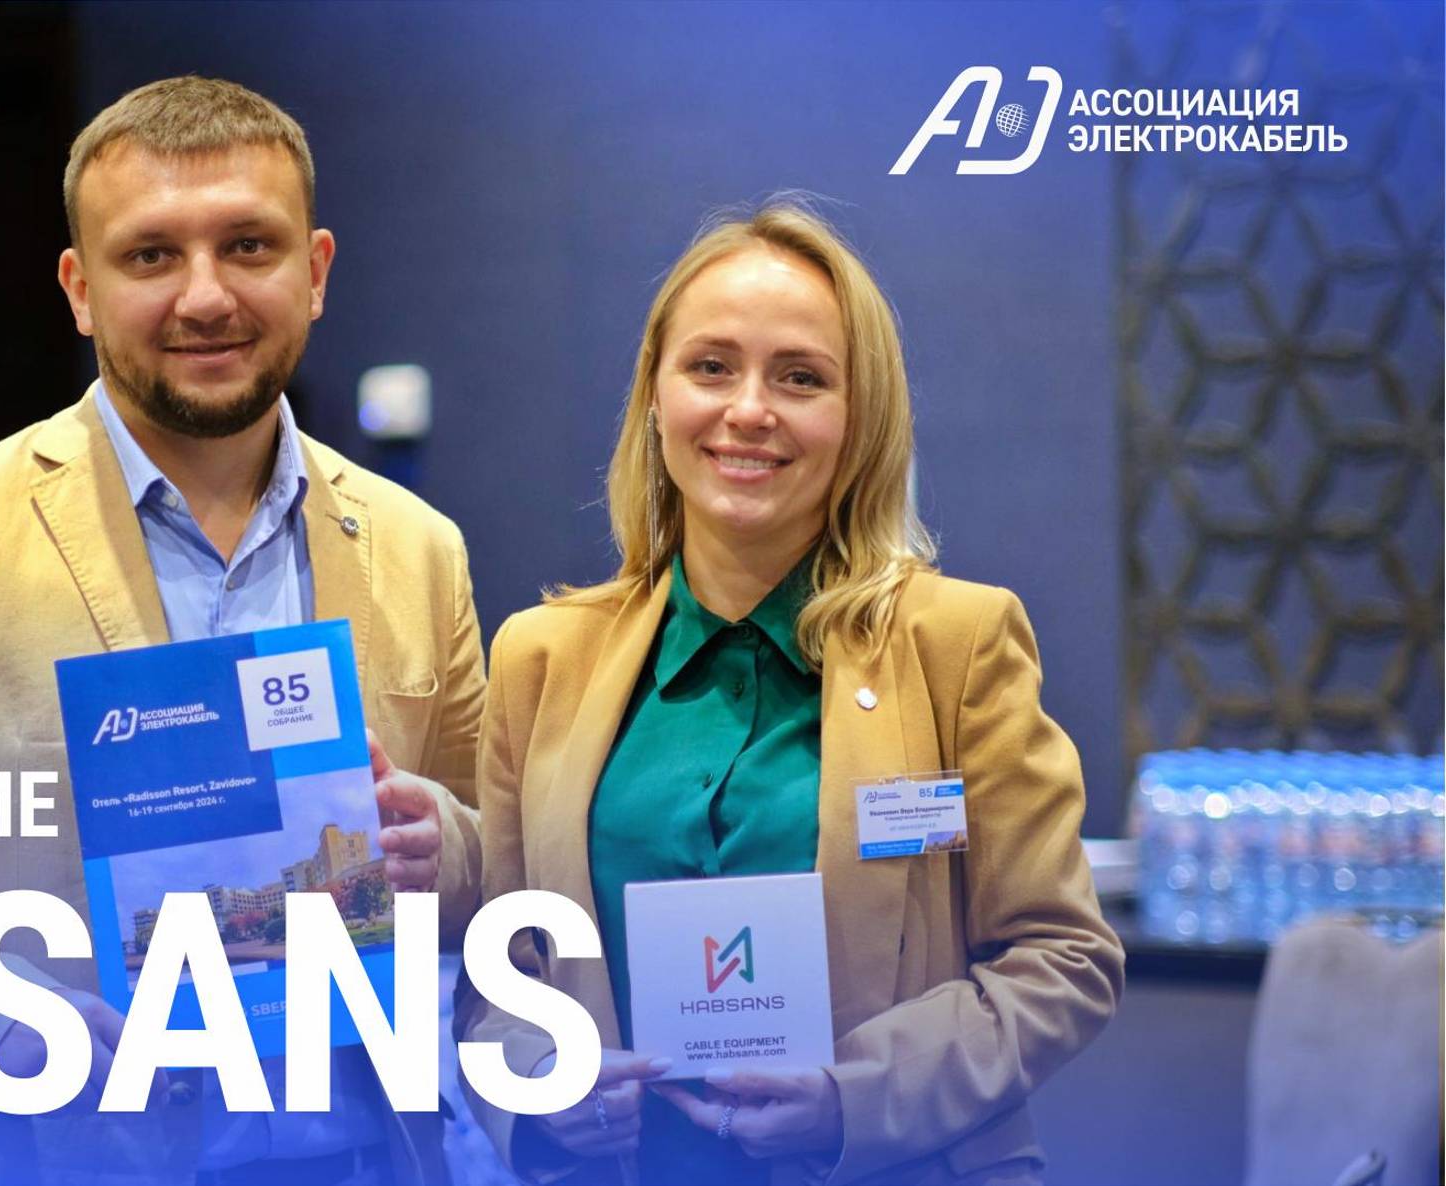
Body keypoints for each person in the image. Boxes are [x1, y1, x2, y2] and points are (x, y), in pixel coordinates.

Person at [0, 76, 485, 1186]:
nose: (206, 296)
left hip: (366, 1157)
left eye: (249, 246)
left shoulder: (420, 546)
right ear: (81, 289)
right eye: (151, 256)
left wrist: (450, 848)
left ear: (317, 271)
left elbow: (496, 859)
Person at [455, 202, 1122, 1186]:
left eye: (801, 377)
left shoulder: (959, 646)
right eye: (711, 367)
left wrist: (855, 1097)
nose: (750, 409)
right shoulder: (540, 658)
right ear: (655, 397)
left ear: (859, 419)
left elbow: (1064, 957)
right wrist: (540, 1085)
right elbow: (499, 974)